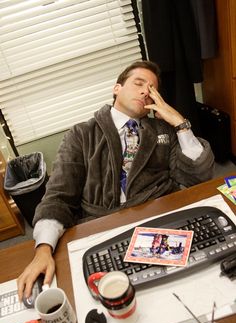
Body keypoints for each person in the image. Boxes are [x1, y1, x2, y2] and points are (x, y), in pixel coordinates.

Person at [17, 60, 214, 301]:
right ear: (116, 88)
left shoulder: (163, 131)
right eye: (138, 83)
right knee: (103, 300)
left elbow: (198, 177)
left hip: (158, 221)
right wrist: (43, 250)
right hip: (102, 229)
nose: (145, 91)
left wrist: (180, 124)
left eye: (152, 89)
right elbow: (58, 196)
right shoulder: (80, 135)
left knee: (191, 288)